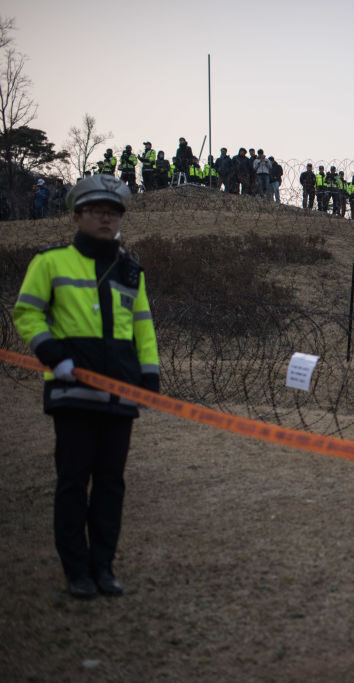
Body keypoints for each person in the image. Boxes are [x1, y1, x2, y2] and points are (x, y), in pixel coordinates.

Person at [12, 174, 159, 600]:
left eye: (113, 213)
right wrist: (52, 356)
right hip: (72, 391)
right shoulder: (50, 263)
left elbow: (144, 327)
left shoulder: (132, 271)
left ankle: (104, 567)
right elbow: (27, 314)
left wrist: (148, 375)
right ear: (77, 215)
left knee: (111, 484)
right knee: (73, 482)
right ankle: (76, 571)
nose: (105, 219)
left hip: (120, 394)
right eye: (96, 211)